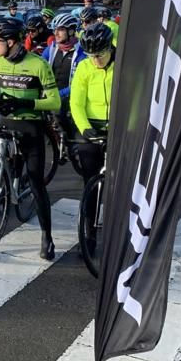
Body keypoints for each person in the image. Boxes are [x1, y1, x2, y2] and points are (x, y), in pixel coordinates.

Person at [0, 17, 60, 260]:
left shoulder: (38, 64)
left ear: (11, 42)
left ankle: (47, 237)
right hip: (7, 122)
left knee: (36, 181)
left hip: (30, 124)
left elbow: (54, 101)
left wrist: (26, 102)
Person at [68, 23, 115, 256]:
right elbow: (76, 102)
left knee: (123, 184)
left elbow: (135, 97)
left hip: (118, 126)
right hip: (91, 127)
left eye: (100, 55)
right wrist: (85, 130)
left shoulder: (123, 64)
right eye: (91, 55)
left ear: (110, 47)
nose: (96, 60)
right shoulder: (85, 67)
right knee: (91, 183)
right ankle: (89, 234)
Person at [41, 13, 86, 143]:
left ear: (71, 31)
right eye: (55, 30)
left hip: (69, 95)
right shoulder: (52, 49)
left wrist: (58, 94)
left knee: (63, 118)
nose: (56, 33)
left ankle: (71, 143)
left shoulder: (81, 54)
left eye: (60, 29)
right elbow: (39, 66)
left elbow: (78, 84)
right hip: (52, 94)